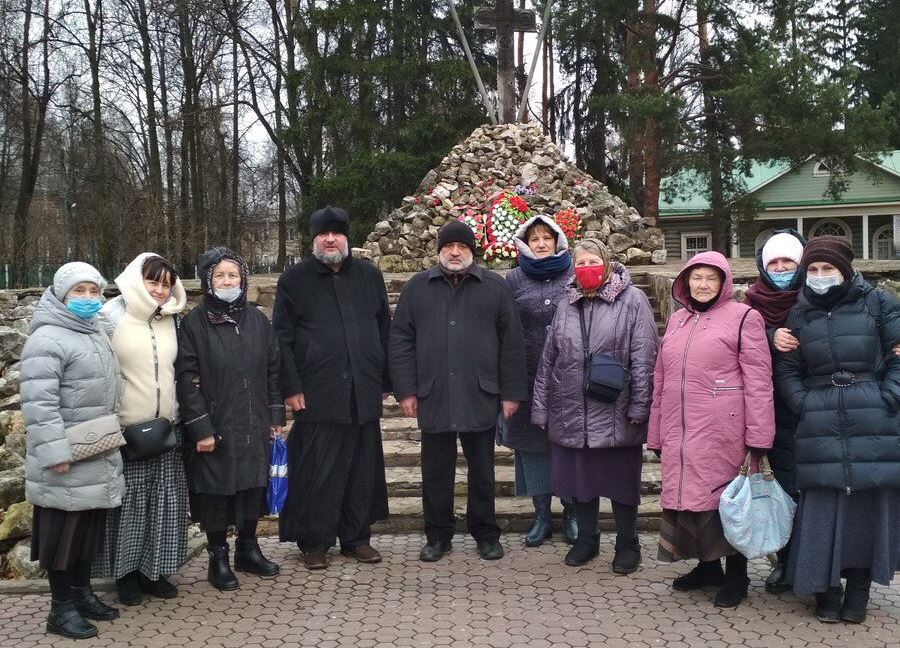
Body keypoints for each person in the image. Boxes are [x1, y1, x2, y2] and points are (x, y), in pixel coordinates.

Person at [776, 236, 900, 624]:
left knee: (866, 509)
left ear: (845, 270)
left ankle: (858, 593)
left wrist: (889, 397)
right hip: (819, 419)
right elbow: (788, 369)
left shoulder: (879, 304)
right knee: (821, 510)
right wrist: (804, 404)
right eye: (812, 270)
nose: (819, 276)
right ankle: (825, 590)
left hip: (872, 417)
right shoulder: (798, 314)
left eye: (827, 268)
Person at [389, 219, 527, 562]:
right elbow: (401, 341)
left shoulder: (495, 287)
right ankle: (437, 535)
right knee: (435, 472)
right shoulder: (417, 288)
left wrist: (511, 393)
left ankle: (485, 533)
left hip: (480, 393)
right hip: (433, 393)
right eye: (448, 246)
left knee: (482, 470)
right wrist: (405, 390)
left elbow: (512, 344)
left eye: (462, 247)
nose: (454, 252)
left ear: (472, 252)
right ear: (439, 251)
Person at [647, 251, 775, 608]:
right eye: (696, 277)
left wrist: (759, 436)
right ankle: (707, 568)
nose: (702, 285)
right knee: (692, 503)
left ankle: (737, 576)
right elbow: (661, 378)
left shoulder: (743, 317)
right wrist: (655, 431)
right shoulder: (677, 321)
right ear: (686, 281)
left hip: (723, 430)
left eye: (711, 278)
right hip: (681, 428)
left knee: (727, 504)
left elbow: (759, 382)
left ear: (724, 283)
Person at [275, 206, 391, 570]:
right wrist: (290, 386)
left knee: (361, 469)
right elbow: (282, 338)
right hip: (316, 392)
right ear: (313, 239)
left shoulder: (369, 277)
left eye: (336, 233)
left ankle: (356, 538)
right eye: (323, 233)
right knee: (318, 471)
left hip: (362, 391)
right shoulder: (294, 280)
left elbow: (384, 331)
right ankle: (314, 542)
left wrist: (386, 380)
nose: (330, 239)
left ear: (346, 237)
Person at [531, 239, 658, 570]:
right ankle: (588, 540)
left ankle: (628, 544)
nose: (587, 268)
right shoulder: (566, 304)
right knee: (580, 484)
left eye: (593, 261)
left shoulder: (633, 300)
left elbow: (644, 356)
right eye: (581, 262)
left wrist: (640, 406)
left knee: (622, 484)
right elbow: (549, 359)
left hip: (616, 411)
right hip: (572, 410)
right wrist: (541, 406)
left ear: (606, 262)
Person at [21, 262, 124, 639]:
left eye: (94, 291)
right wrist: (56, 453)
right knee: (61, 536)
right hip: (65, 456)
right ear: (62, 294)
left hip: (95, 449)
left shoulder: (96, 331)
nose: (88, 298)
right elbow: (38, 402)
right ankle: (59, 607)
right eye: (78, 291)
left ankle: (81, 593)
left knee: (86, 531)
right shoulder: (47, 338)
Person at [175, 247, 285, 590]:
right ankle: (218, 557)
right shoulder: (195, 323)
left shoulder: (256, 320)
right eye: (220, 275)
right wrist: (201, 428)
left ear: (243, 280)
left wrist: (275, 415)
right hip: (216, 425)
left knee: (253, 486)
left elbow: (272, 370)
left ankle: (248, 549)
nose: (227, 281)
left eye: (233, 275)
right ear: (208, 280)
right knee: (216, 493)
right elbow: (186, 379)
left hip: (253, 423)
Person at [96, 253, 190, 606]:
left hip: (167, 428)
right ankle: (125, 574)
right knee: (128, 507)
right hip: (127, 430)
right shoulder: (111, 316)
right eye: (153, 281)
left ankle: (154, 571)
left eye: (166, 283)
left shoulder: (171, 319)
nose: (160, 290)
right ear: (137, 280)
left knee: (163, 502)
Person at [503, 215, 578, 546]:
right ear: (525, 243)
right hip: (529, 375)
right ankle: (541, 516)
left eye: (547, 237)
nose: (542, 243)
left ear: (558, 239)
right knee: (533, 449)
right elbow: (504, 327)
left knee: (569, 447)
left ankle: (573, 513)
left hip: (569, 378)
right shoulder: (513, 280)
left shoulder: (575, 274)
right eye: (535, 239)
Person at [743, 230, 806, 593]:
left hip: (815, 408)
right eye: (774, 263)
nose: (781, 269)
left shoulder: (814, 296)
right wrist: (770, 336)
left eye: (788, 262)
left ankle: (811, 561)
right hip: (773, 410)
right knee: (783, 487)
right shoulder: (752, 303)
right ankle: (784, 561)